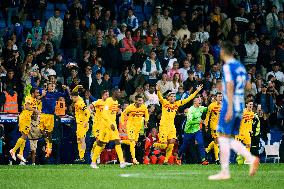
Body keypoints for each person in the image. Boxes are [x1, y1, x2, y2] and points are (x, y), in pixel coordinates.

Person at [208, 41, 259, 180]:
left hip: (230, 105)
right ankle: (248, 159)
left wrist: (229, 107)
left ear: (224, 52)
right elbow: (248, 86)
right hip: (240, 106)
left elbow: (230, 86)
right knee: (227, 138)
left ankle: (226, 171)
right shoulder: (241, 67)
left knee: (223, 137)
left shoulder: (228, 66)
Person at [154, 84, 203, 164]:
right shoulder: (164, 102)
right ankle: (154, 145)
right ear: (168, 97)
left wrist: (196, 91)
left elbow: (188, 99)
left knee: (172, 142)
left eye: (174, 96)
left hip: (171, 126)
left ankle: (166, 160)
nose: (173, 98)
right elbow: (160, 97)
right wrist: (158, 91)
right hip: (163, 126)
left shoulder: (177, 104)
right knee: (164, 145)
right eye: (171, 96)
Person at [90, 88, 132, 169]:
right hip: (105, 125)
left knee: (117, 142)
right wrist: (110, 124)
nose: (120, 93)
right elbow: (104, 114)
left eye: (120, 92)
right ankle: (93, 162)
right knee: (100, 143)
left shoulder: (116, 102)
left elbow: (112, 113)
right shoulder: (108, 101)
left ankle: (122, 162)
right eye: (118, 92)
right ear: (114, 93)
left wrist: (119, 112)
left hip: (113, 126)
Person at [9, 88, 41, 163]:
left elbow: (32, 111)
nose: (38, 94)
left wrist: (36, 113)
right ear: (33, 93)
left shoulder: (35, 101)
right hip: (24, 118)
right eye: (37, 93)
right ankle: (13, 150)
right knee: (24, 135)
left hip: (27, 119)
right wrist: (35, 110)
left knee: (25, 136)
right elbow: (26, 107)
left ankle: (20, 153)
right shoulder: (28, 97)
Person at [38, 83, 68, 157]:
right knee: (41, 131)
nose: (53, 87)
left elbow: (65, 95)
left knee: (49, 134)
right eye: (51, 85)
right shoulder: (44, 92)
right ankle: (45, 146)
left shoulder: (56, 94)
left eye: (54, 86)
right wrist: (43, 93)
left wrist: (66, 89)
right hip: (43, 115)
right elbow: (36, 97)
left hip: (51, 116)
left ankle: (48, 150)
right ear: (48, 86)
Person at [178, 96, 209, 165]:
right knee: (184, 145)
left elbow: (208, 109)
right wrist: (199, 121)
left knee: (201, 143)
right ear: (194, 102)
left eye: (200, 99)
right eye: (198, 100)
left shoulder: (201, 108)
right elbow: (189, 122)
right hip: (188, 131)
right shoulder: (191, 110)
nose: (200, 101)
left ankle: (203, 160)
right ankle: (178, 156)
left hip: (197, 130)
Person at [120, 95, 149, 164]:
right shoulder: (130, 107)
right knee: (132, 142)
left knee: (134, 142)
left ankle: (122, 141)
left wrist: (145, 124)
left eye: (141, 101)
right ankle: (134, 159)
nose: (140, 102)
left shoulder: (144, 107)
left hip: (138, 127)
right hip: (130, 126)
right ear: (135, 101)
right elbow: (123, 114)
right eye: (139, 100)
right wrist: (123, 124)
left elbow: (147, 116)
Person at [71, 86, 91, 162]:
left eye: (73, 97)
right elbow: (74, 91)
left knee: (82, 140)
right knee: (79, 140)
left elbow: (88, 112)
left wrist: (86, 122)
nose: (72, 99)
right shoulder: (78, 99)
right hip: (79, 124)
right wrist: (77, 87)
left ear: (75, 97)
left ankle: (83, 157)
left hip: (82, 124)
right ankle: (81, 156)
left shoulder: (80, 103)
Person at [205, 92, 222, 164]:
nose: (220, 98)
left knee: (217, 142)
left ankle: (207, 149)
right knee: (216, 141)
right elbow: (208, 115)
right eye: (219, 96)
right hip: (213, 126)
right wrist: (206, 125)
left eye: (221, 96)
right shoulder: (211, 105)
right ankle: (217, 159)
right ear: (216, 97)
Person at [236, 99, 255, 164]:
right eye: (250, 104)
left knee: (248, 145)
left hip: (247, 132)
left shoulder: (252, 113)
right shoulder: (242, 112)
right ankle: (238, 159)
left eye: (252, 104)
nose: (251, 106)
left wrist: (251, 130)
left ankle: (247, 160)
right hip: (240, 131)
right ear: (246, 105)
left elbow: (250, 122)